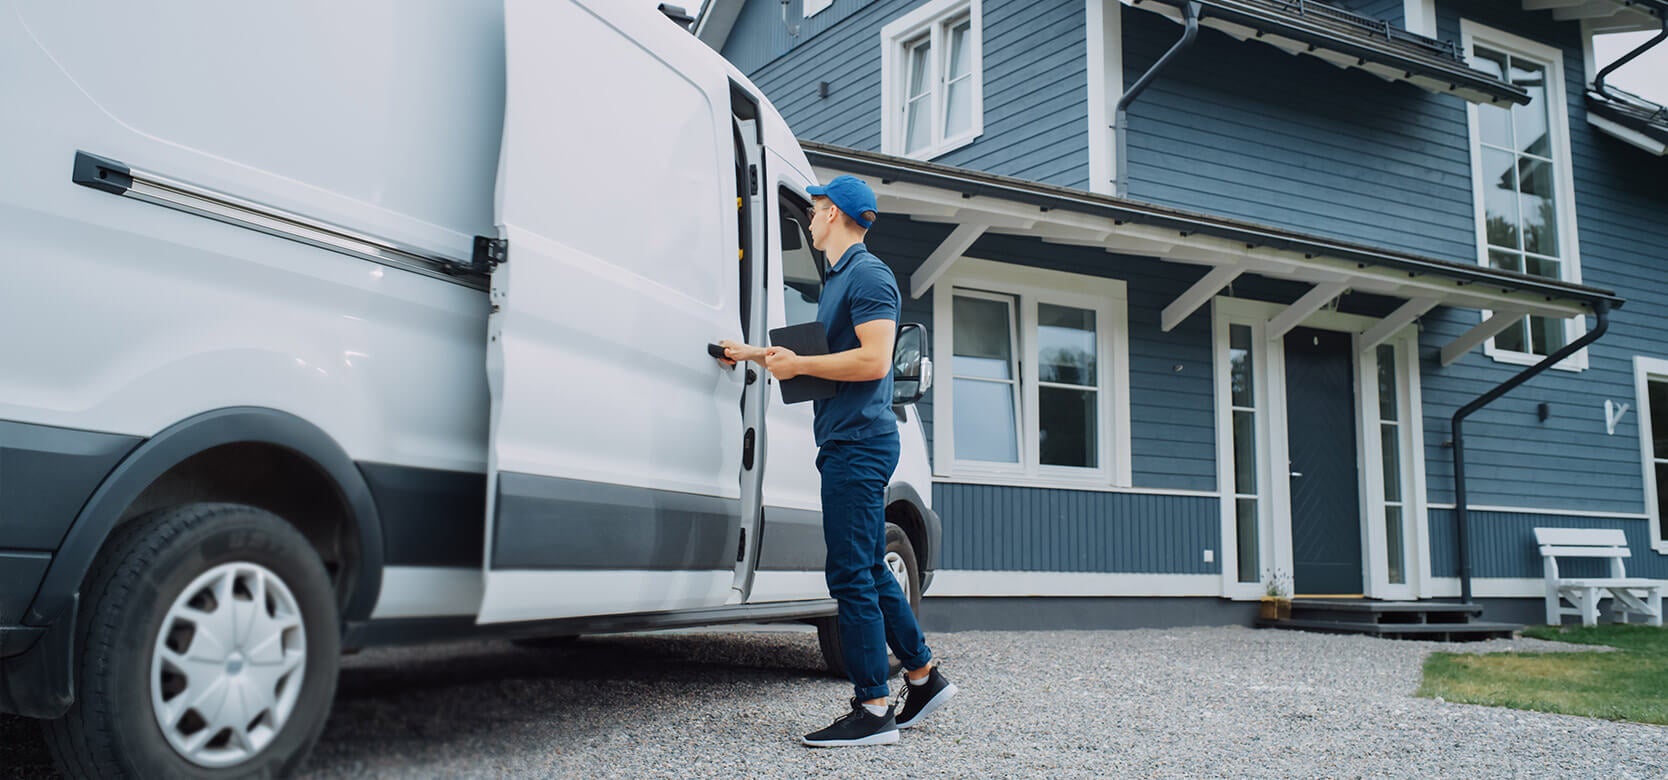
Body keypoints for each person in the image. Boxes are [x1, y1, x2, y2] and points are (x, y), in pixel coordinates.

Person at [719, 175, 957, 748]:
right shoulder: (840, 278)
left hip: (859, 444)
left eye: (817, 206)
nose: (810, 215)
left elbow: (874, 361)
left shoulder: (868, 275)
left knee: (849, 573)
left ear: (833, 214)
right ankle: (923, 678)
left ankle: (873, 709)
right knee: (869, 567)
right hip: (849, 440)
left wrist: (800, 366)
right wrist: (755, 354)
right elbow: (822, 354)